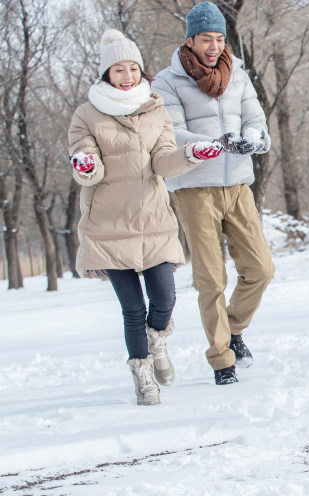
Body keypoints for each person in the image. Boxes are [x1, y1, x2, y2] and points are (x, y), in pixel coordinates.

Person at [68, 30, 223, 405]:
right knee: (133, 308)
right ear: (106, 73)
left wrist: (190, 154)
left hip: (153, 220)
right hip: (108, 225)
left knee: (165, 299)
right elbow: (84, 160)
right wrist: (85, 165)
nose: (127, 75)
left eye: (133, 68)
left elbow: (163, 160)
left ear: (141, 70)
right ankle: (142, 376)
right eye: (118, 69)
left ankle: (157, 342)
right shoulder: (87, 114)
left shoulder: (155, 109)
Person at [151, 1, 275, 386]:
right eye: (207, 38)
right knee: (211, 278)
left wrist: (253, 138)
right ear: (190, 40)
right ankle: (222, 358)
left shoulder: (236, 72)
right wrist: (215, 144)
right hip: (194, 187)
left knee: (260, 269)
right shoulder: (167, 82)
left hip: (238, 185)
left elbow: (255, 117)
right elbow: (171, 132)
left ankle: (233, 329)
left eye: (220, 38)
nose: (215, 46)